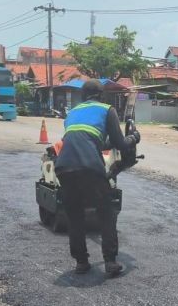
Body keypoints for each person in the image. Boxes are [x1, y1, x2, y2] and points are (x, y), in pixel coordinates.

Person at [55, 80, 140, 276]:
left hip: (64, 166)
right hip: (89, 167)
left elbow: (89, 140)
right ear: (101, 95)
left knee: (75, 217)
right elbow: (120, 143)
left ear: (83, 96)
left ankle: (81, 262)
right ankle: (110, 262)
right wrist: (134, 138)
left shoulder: (73, 112)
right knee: (106, 213)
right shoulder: (106, 110)